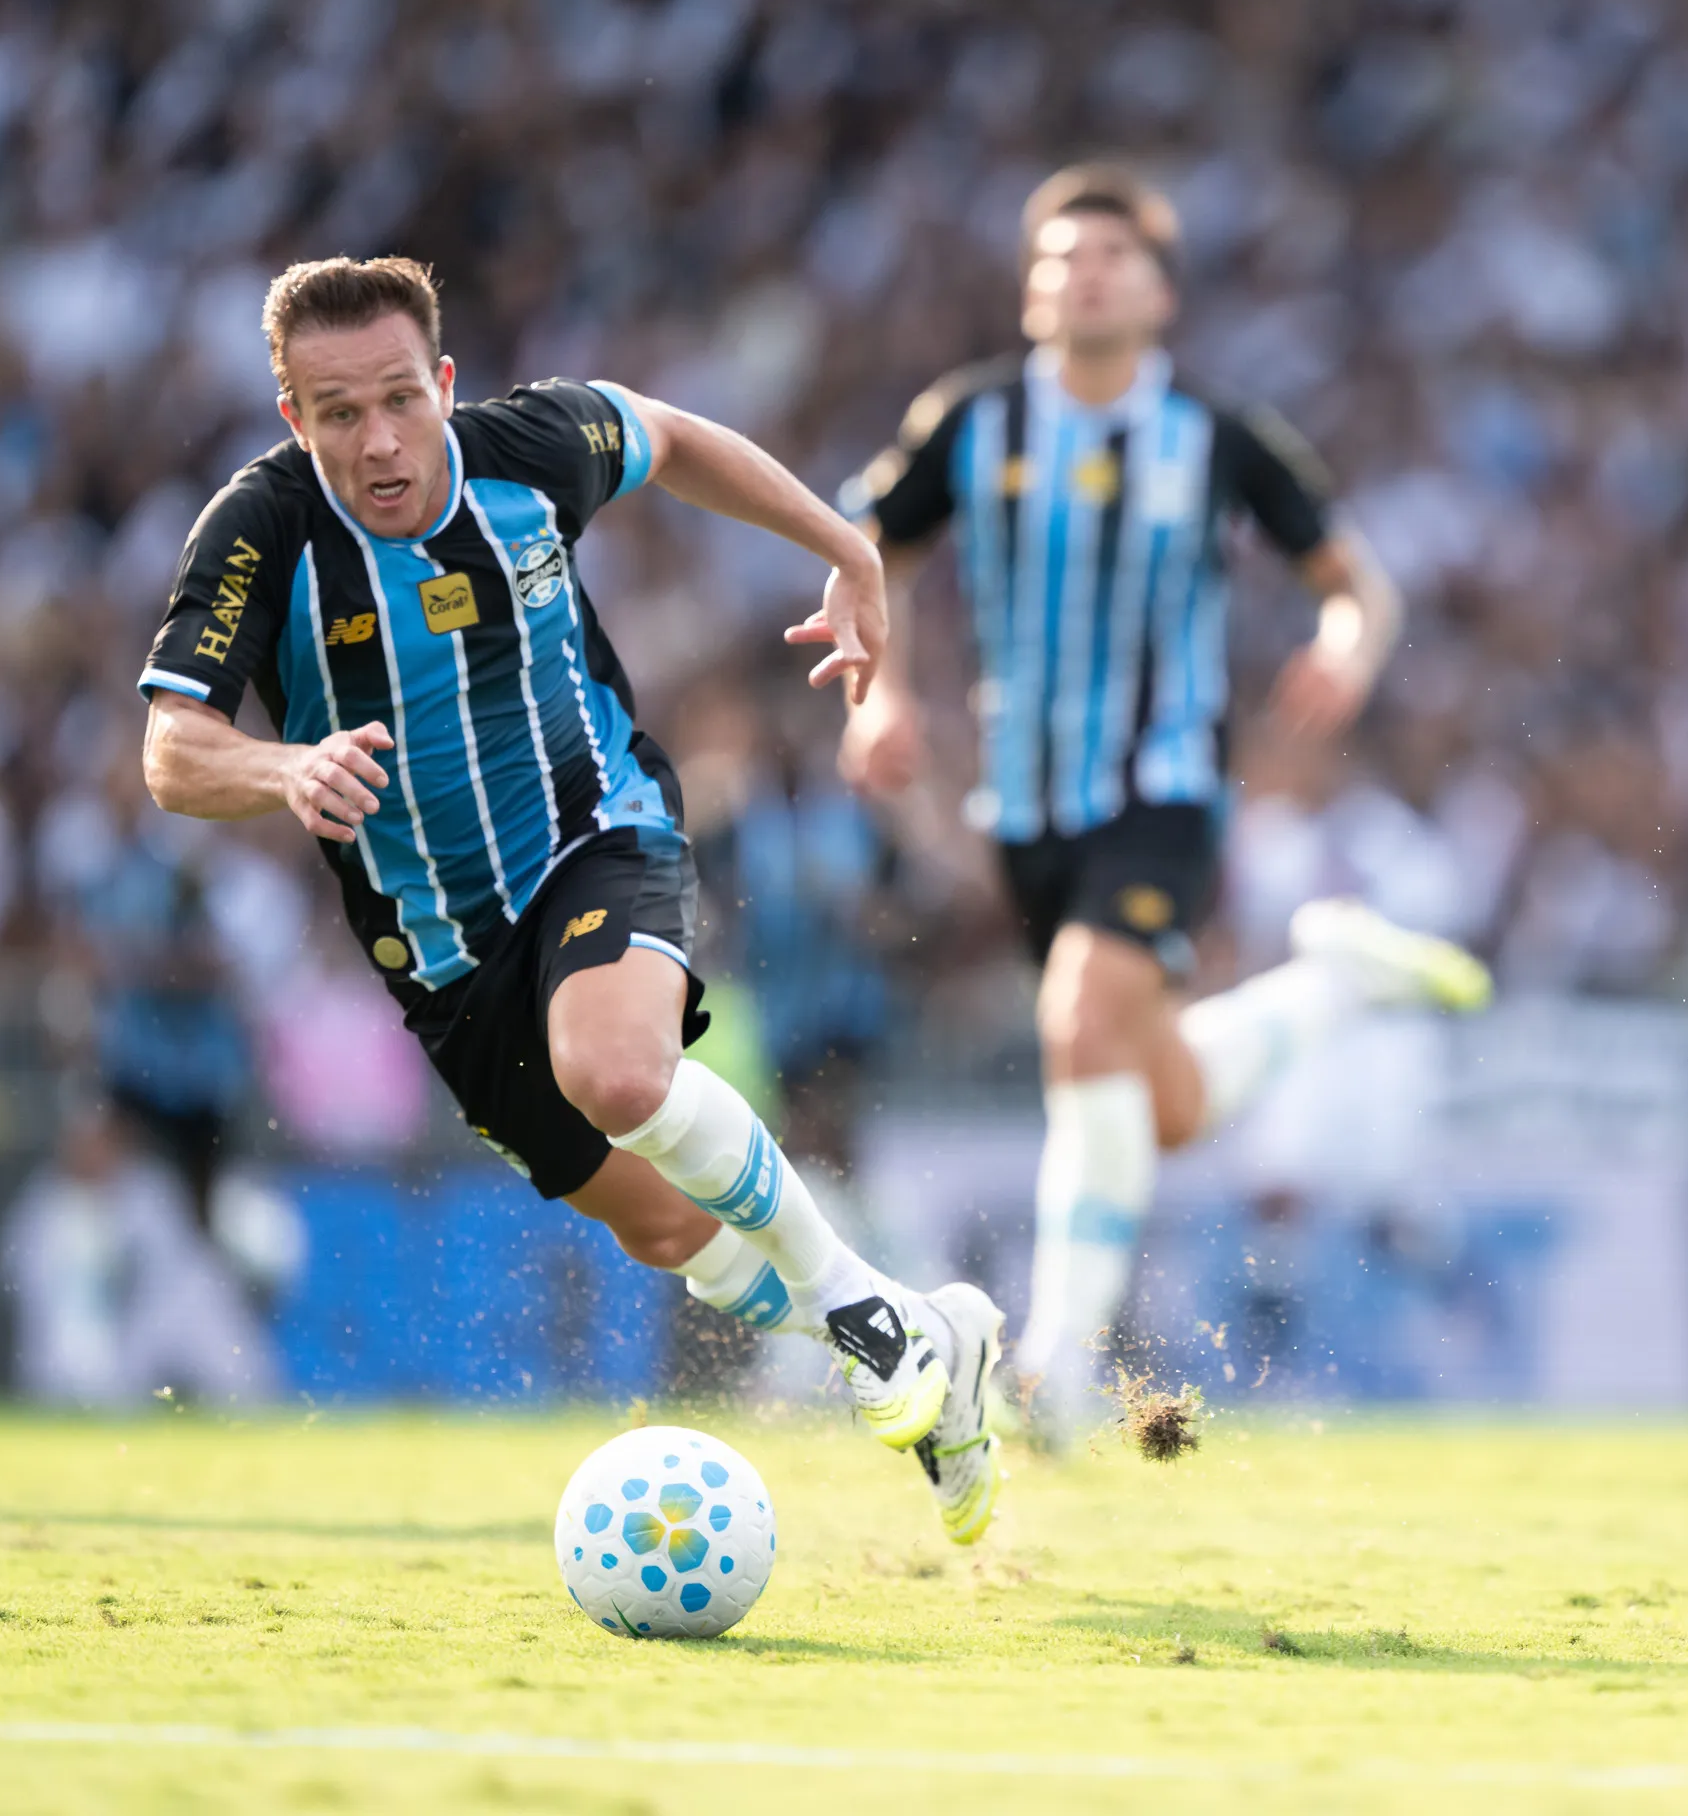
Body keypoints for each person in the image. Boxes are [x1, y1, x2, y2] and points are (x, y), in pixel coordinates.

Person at [136, 256, 1002, 1544]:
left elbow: (671, 435)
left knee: (614, 1068)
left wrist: (844, 548)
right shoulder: (260, 533)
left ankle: (871, 1324)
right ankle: (931, 1333)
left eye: (397, 400)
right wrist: (284, 764)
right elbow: (171, 748)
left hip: (599, 827)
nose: (376, 441)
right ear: (292, 417)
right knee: (670, 1233)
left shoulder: (529, 447)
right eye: (335, 412)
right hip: (440, 948)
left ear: (442, 384)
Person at [839, 165, 1490, 1446]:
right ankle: (1333, 987)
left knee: (1079, 1019)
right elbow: (863, 551)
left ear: (1159, 291)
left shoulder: (1217, 433)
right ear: (1031, 292)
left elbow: (1359, 585)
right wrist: (877, 692)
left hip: (1166, 790)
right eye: (1058, 257)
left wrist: (1348, 648)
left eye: (1111, 256)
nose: (1083, 273)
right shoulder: (969, 420)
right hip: (1021, 808)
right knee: (1166, 1098)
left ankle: (1057, 1367)